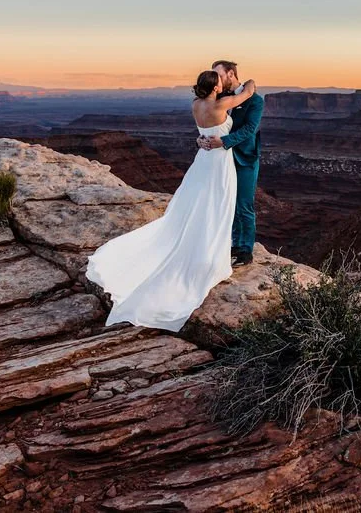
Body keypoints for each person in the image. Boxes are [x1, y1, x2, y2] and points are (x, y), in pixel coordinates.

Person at [84, 69, 257, 332]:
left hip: (204, 160)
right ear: (214, 88)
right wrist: (247, 80)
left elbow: (208, 126)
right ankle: (212, 251)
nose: (223, 85)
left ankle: (211, 243)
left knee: (199, 204)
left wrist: (205, 137)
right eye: (220, 81)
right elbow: (249, 91)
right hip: (220, 163)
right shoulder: (222, 103)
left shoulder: (196, 105)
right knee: (218, 205)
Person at [196, 60, 264, 266]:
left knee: (243, 204)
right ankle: (233, 243)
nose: (217, 79)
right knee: (227, 203)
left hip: (244, 158)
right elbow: (209, 121)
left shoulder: (255, 101)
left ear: (231, 74)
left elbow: (250, 129)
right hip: (221, 160)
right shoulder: (220, 98)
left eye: (219, 75)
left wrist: (223, 142)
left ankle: (245, 250)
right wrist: (201, 138)